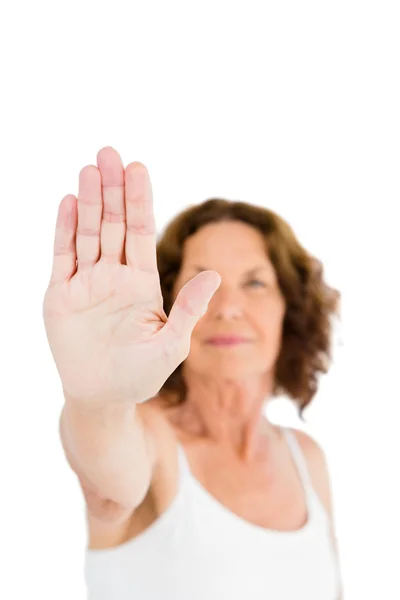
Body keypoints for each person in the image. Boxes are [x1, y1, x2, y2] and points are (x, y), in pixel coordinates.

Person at [43, 146, 343, 599]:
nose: (227, 309)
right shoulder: (150, 437)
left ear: (291, 309)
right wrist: (97, 399)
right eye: (201, 282)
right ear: (164, 303)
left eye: (255, 282)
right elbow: (107, 477)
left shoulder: (306, 459)